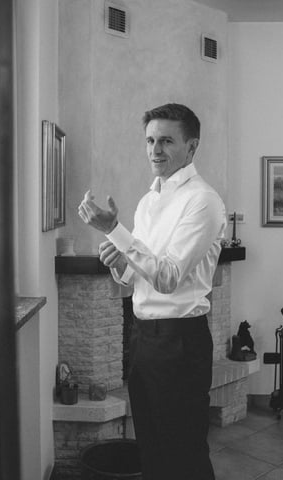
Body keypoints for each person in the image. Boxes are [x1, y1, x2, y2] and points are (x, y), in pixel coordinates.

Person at [78, 103, 226, 480]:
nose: (155, 150)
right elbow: (136, 278)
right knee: (152, 448)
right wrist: (118, 261)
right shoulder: (148, 202)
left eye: (166, 141)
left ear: (191, 147)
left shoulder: (203, 201)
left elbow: (168, 277)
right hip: (143, 337)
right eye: (149, 141)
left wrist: (115, 231)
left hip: (180, 341)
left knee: (184, 452)